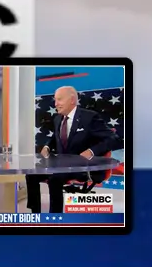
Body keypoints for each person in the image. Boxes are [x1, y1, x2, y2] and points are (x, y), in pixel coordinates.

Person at [29, 83, 122, 212]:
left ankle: (54, 217)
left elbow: (113, 139)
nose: (55, 104)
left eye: (59, 99)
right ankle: (35, 213)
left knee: (54, 179)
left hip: (82, 167)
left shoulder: (89, 117)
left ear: (72, 100)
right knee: (31, 174)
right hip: (61, 165)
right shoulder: (57, 119)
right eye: (55, 100)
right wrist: (47, 146)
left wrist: (92, 151)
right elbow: (56, 138)